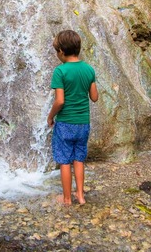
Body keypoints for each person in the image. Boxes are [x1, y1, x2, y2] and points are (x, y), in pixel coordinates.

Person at [47, 30, 99, 206]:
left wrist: (50, 116)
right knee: (79, 159)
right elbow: (94, 97)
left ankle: (67, 198)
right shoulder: (89, 69)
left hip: (65, 123)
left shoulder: (60, 71)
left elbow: (60, 101)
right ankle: (81, 196)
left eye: (57, 51)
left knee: (64, 161)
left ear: (61, 51)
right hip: (83, 123)